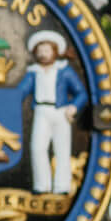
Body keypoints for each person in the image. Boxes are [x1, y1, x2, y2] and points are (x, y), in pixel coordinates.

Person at [21, 30, 86, 194]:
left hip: (60, 111)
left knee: (62, 149)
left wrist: (74, 106)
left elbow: (81, 93)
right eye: (40, 50)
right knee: (37, 148)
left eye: (46, 50)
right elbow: (21, 91)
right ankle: (42, 185)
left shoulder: (64, 70)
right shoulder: (34, 72)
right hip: (41, 110)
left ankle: (62, 186)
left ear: (55, 51)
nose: (43, 54)